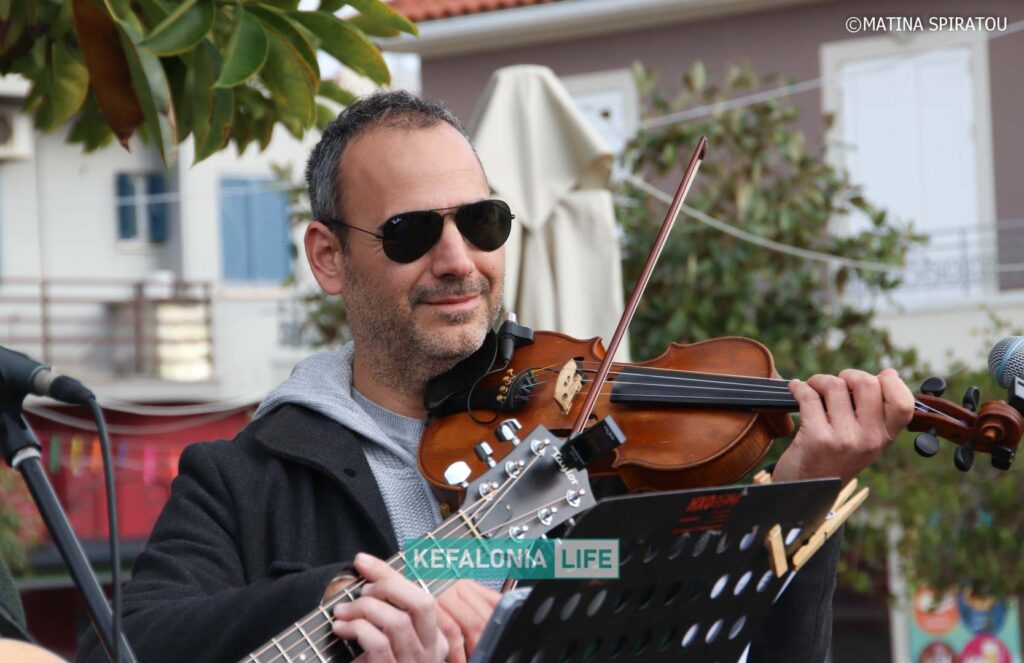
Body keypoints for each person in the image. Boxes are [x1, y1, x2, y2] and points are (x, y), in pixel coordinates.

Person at [77, 90, 915, 663]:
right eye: (411, 233)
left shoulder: (600, 448)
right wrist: (347, 596)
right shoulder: (244, 478)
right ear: (329, 257)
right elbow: (121, 643)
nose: (458, 260)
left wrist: (805, 492)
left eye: (481, 222)